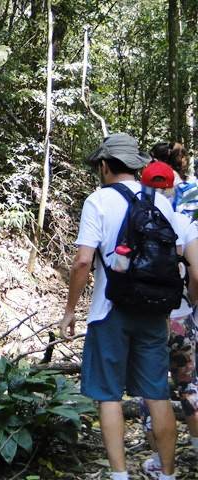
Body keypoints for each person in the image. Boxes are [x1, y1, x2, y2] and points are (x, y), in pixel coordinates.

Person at [59, 133, 180, 480]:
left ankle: (119, 475)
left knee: (109, 394)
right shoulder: (162, 202)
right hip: (156, 310)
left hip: (109, 310)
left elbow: (83, 261)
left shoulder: (98, 201)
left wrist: (70, 310)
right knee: (157, 392)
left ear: (104, 165)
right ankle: (167, 474)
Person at [138, 161, 198, 477]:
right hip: (182, 317)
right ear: (174, 188)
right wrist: (191, 303)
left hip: (148, 321)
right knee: (190, 384)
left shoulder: (134, 220)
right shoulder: (186, 224)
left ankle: (161, 462)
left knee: (152, 391)